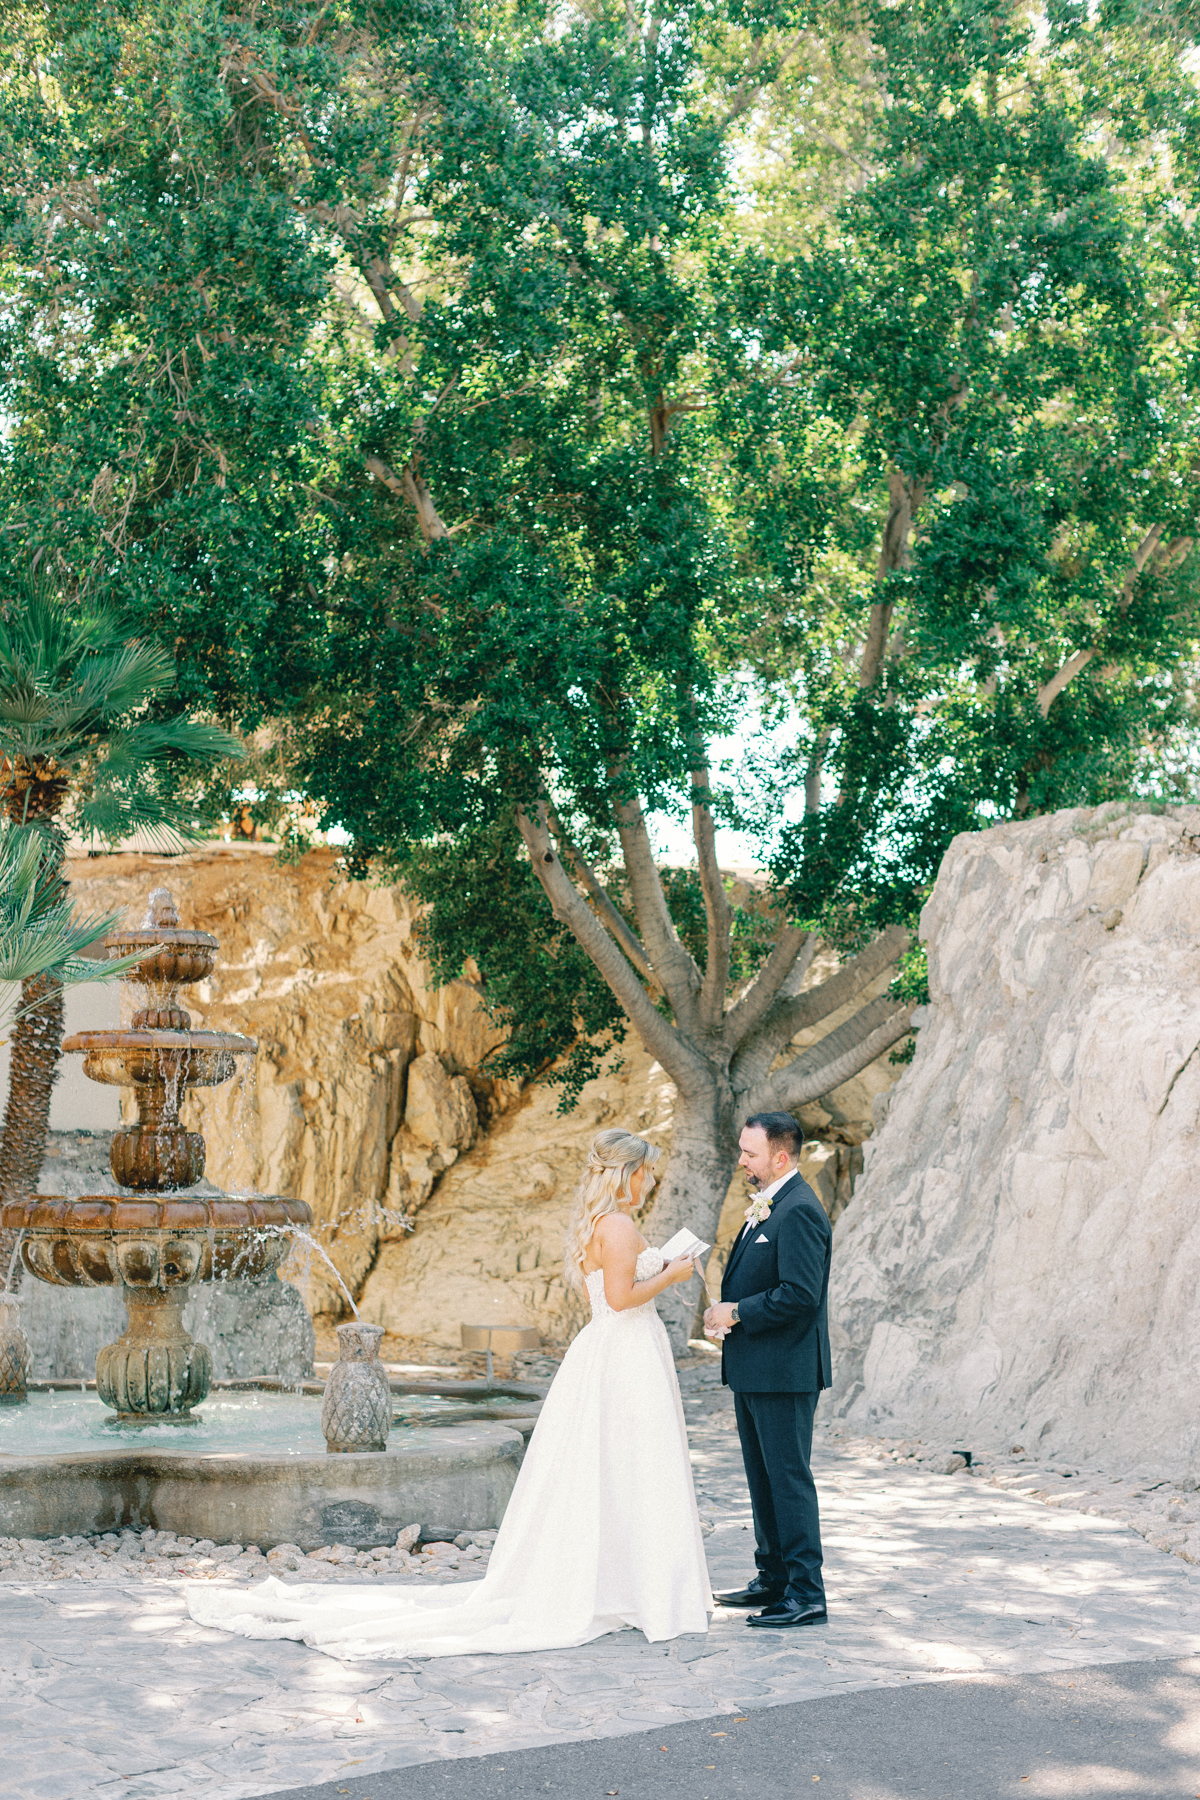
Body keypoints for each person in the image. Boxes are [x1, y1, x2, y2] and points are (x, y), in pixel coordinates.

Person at [186, 1128, 711, 1659]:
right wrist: (672, 1275)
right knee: (629, 1462)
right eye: (647, 1171)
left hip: (617, 1352)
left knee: (618, 1464)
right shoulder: (618, 1225)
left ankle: (620, 1584)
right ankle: (632, 1587)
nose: (650, 1181)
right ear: (627, 1173)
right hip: (623, 1353)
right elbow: (620, 1298)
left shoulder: (604, 1223)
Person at [703, 1110, 831, 1630]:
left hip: (785, 1369)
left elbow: (800, 1294)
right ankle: (773, 1577)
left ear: (779, 1157)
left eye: (749, 1153)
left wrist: (736, 1312)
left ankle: (806, 1594)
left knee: (788, 1480)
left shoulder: (799, 1209)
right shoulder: (770, 1204)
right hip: (757, 1367)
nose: (741, 1160)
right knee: (762, 1480)